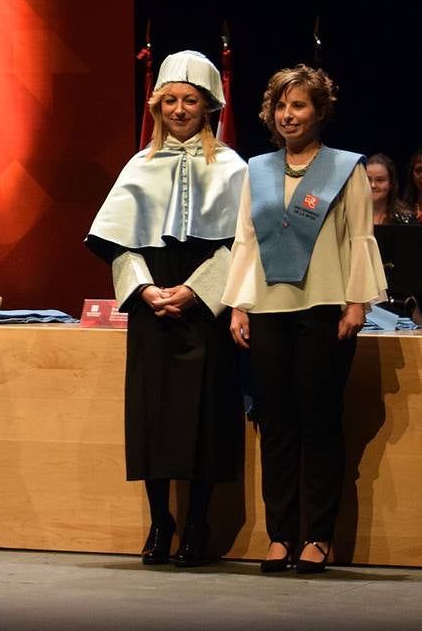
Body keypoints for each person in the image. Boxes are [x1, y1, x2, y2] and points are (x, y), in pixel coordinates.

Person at [85, 51, 248, 568]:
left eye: (190, 101)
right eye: (170, 101)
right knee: (153, 415)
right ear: (158, 106)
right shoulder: (141, 164)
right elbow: (117, 242)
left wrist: (199, 291)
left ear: (208, 107)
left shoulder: (232, 166)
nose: (179, 110)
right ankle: (161, 522)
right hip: (152, 304)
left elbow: (242, 244)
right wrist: (145, 290)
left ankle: (199, 524)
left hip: (206, 307)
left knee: (204, 417)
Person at [223, 65, 387, 574]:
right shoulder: (259, 169)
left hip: (323, 308)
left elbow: (359, 236)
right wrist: (238, 303)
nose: (288, 115)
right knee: (276, 424)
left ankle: (317, 536)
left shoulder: (345, 168)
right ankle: (281, 536)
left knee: (319, 422)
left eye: (299, 106)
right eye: (281, 106)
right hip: (269, 310)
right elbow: (246, 239)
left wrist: (357, 301)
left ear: (319, 112)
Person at [366, 153, 416, 226]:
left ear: (391, 184)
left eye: (380, 180)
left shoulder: (406, 220)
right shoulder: (351, 216)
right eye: (368, 179)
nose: (372, 185)